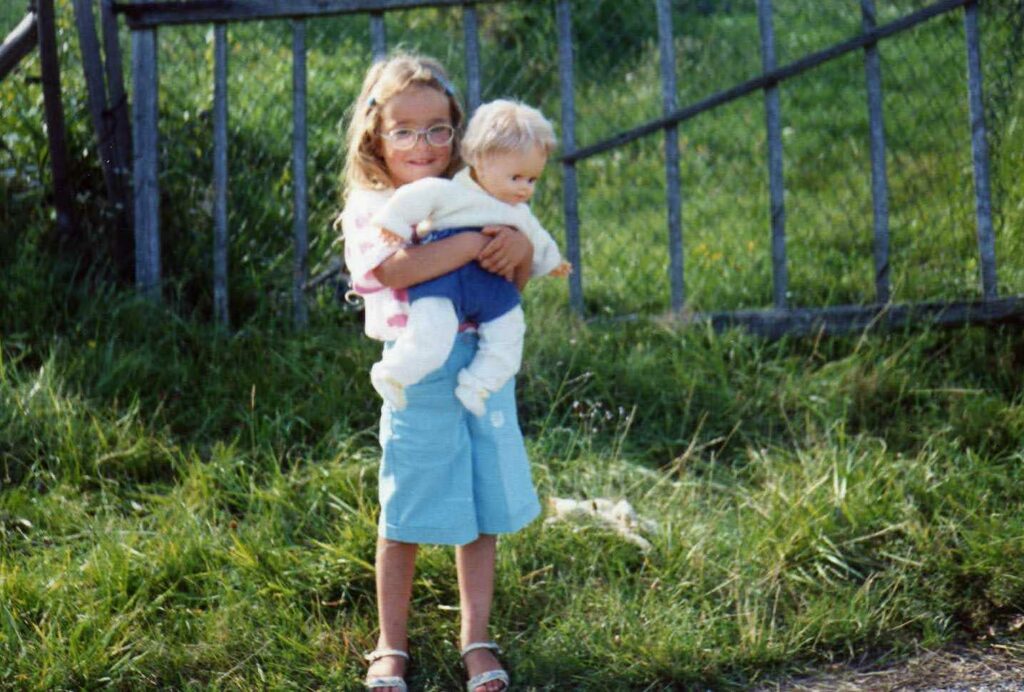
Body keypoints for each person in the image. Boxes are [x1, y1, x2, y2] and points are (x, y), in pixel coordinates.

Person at [339, 53, 540, 692]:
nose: (422, 145)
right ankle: (390, 645)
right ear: (376, 135)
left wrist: (523, 246)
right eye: (404, 130)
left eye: (438, 129)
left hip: (482, 363)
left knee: (480, 499)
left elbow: (514, 273)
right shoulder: (372, 205)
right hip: (416, 371)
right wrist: (476, 241)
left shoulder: (475, 194)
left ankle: (476, 638)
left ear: (457, 132)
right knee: (409, 502)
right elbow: (395, 270)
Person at [368, 99, 571, 417]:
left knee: (510, 332)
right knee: (431, 333)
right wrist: (391, 225)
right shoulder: (450, 193)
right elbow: (413, 198)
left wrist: (552, 261)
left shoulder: (519, 213)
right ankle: (393, 373)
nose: (524, 189)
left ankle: (478, 384)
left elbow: (537, 239)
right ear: (479, 160)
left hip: (490, 286)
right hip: (445, 277)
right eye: (516, 177)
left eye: (532, 180)